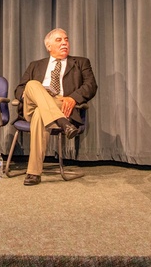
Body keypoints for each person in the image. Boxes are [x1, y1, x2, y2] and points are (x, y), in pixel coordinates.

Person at [13, 28, 98, 186]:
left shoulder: (81, 62)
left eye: (66, 39)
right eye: (59, 40)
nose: (64, 43)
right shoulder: (35, 65)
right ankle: (63, 123)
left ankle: (33, 172)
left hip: (61, 104)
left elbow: (91, 85)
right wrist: (35, 94)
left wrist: (73, 98)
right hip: (33, 105)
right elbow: (19, 89)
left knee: (41, 113)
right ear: (48, 46)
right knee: (32, 85)